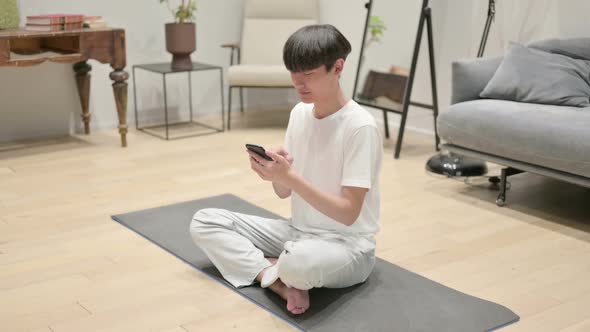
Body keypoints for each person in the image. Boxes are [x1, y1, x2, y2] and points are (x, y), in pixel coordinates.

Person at [190, 24, 383, 315]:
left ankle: (279, 268)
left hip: (348, 245)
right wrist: (274, 174)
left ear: (338, 67)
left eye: (309, 73)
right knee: (204, 221)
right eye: (294, 72)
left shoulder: (360, 127)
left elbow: (348, 212)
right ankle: (276, 280)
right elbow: (284, 193)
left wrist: (290, 177)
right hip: (298, 232)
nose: (299, 82)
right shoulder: (300, 114)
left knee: (298, 261)